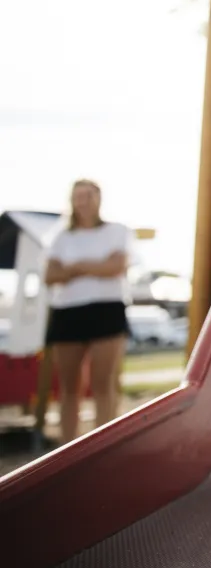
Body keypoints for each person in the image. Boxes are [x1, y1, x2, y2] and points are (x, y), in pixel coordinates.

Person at [41, 179, 133, 443]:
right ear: (71, 200)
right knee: (69, 387)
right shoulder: (60, 235)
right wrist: (94, 267)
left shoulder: (117, 231)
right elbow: (50, 274)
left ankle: (103, 445)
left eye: (89, 195)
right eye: (79, 195)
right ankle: (66, 447)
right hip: (68, 312)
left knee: (103, 383)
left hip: (106, 310)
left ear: (99, 198)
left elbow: (115, 266)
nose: (84, 200)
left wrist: (73, 268)